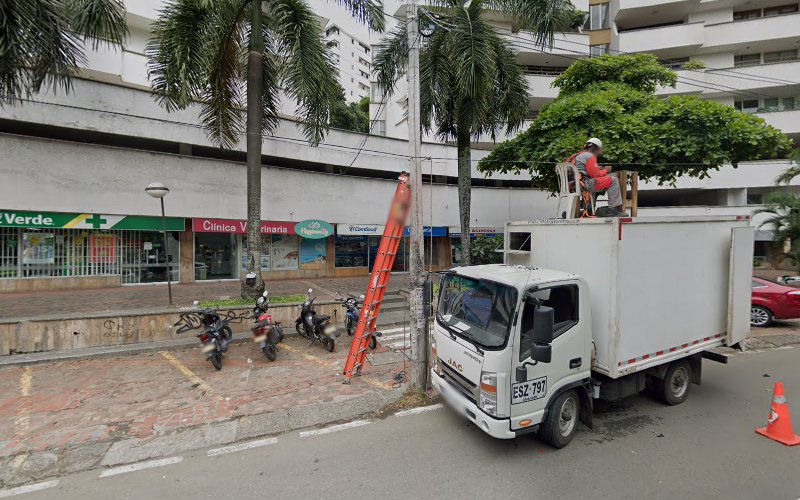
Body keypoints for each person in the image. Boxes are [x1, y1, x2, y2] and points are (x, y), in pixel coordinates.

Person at [566, 138, 626, 217]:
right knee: (613, 180)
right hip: (583, 185)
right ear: (596, 148)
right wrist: (606, 170)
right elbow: (595, 175)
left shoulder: (578, 155)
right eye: (600, 150)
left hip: (571, 186)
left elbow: (584, 170)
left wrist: (597, 168)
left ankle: (588, 210)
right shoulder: (590, 156)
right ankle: (612, 210)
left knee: (593, 182)